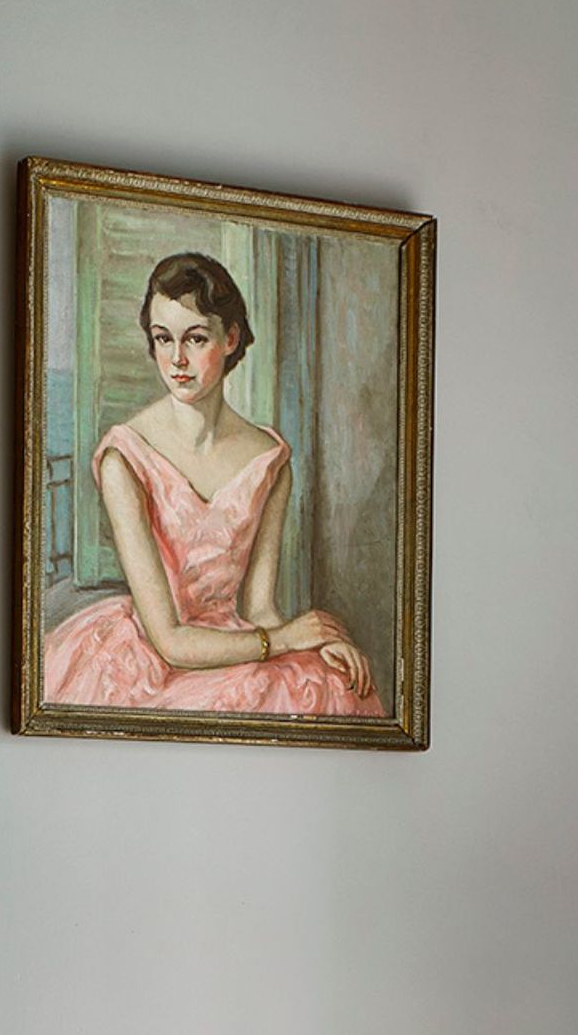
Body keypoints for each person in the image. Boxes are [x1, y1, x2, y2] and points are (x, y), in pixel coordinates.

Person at [42, 252, 381, 716]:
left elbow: (260, 608)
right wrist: (283, 639)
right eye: (163, 339)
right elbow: (170, 641)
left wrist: (318, 645)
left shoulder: (270, 459)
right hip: (150, 658)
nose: (177, 360)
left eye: (195, 338)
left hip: (236, 640)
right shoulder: (126, 455)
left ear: (231, 338)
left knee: (330, 686)